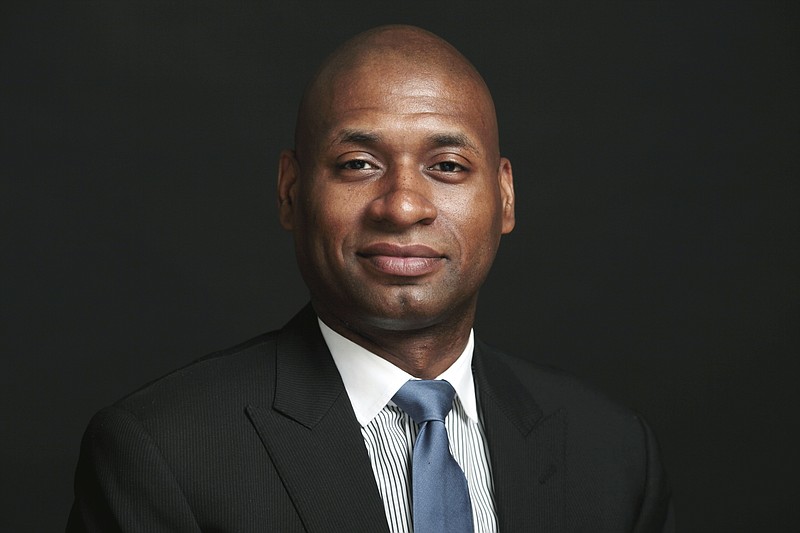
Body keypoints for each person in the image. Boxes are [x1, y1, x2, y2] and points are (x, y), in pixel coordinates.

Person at [67, 25, 674, 532]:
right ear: (290, 191)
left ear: (505, 196)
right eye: (358, 164)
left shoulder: (614, 455)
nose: (403, 206)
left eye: (447, 166)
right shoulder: (163, 452)